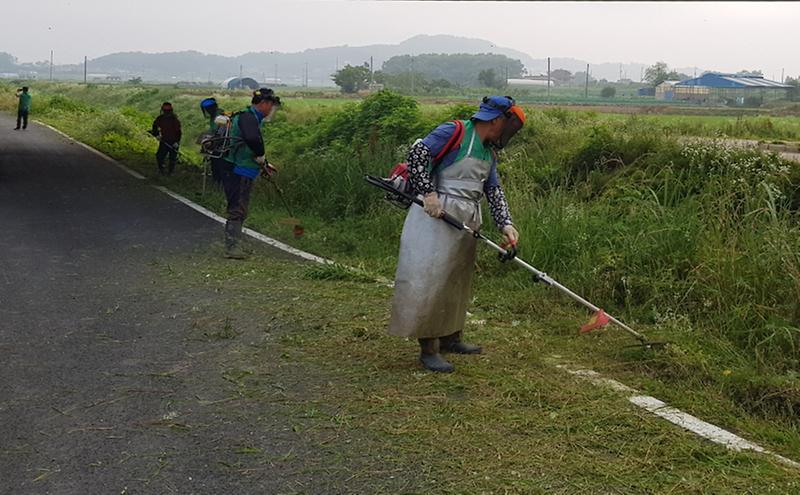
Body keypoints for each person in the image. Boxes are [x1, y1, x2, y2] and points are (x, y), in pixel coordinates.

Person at [388, 95, 526, 373]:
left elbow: (493, 189)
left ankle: (452, 337)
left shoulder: (489, 151)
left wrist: (506, 224)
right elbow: (417, 155)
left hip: (467, 218)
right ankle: (428, 349)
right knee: (431, 279)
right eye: (509, 125)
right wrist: (429, 194)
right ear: (497, 120)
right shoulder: (454, 132)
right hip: (435, 213)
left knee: (456, 280)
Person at [220, 88, 281, 259]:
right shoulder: (248, 117)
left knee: (240, 207)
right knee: (237, 208)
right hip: (238, 170)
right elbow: (253, 140)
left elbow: (250, 146)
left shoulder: (251, 117)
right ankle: (232, 248)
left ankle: (234, 244)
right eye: (271, 106)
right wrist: (261, 156)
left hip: (243, 168)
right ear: (264, 104)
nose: (271, 111)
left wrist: (264, 163)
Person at [199, 97, 227, 186]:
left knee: (218, 165)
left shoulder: (220, 117)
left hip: (222, 145)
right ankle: (216, 182)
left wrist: (211, 143)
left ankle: (219, 183)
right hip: (217, 144)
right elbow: (213, 131)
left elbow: (220, 133)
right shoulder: (214, 116)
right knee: (214, 163)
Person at [150, 102, 182, 175]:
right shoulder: (160, 118)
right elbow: (154, 126)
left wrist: (177, 142)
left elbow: (178, 132)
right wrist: (156, 134)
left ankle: (170, 173)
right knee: (159, 156)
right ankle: (162, 169)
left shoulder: (174, 120)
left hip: (174, 142)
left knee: (172, 158)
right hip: (164, 141)